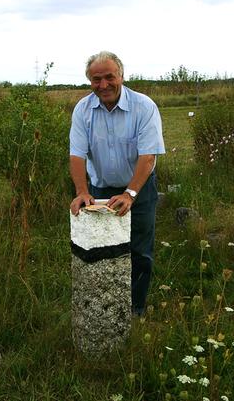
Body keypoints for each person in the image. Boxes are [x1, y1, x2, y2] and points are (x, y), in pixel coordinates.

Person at [69, 51, 165, 315]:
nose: (103, 85)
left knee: (140, 250)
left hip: (139, 189)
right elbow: (77, 154)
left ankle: (135, 309)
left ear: (121, 76)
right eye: (96, 79)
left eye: (109, 77)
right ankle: (105, 309)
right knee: (103, 249)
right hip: (100, 190)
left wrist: (130, 193)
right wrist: (81, 192)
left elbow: (148, 157)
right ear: (90, 81)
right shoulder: (83, 109)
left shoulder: (144, 107)